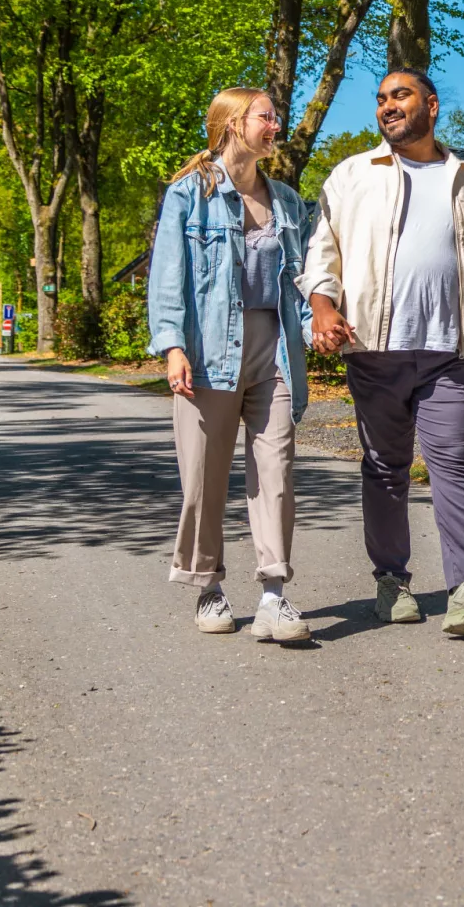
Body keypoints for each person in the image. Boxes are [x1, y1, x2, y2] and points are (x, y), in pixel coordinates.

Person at [300, 68, 464, 635]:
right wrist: (322, 310)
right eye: (381, 100)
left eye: (400, 96)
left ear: (432, 105)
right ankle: (391, 581)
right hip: (375, 349)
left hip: (452, 352)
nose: (387, 107)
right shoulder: (352, 175)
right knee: (386, 468)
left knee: (454, 463)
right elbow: (322, 255)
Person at [149, 87, 314, 643]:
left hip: (275, 348)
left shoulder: (288, 201)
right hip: (207, 351)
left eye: (275, 116)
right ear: (234, 123)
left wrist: (323, 325)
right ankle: (207, 587)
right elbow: (167, 276)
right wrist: (172, 345)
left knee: (278, 473)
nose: (277, 124)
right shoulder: (188, 194)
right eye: (267, 116)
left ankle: (274, 595)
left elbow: (304, 280)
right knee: (203, 479)